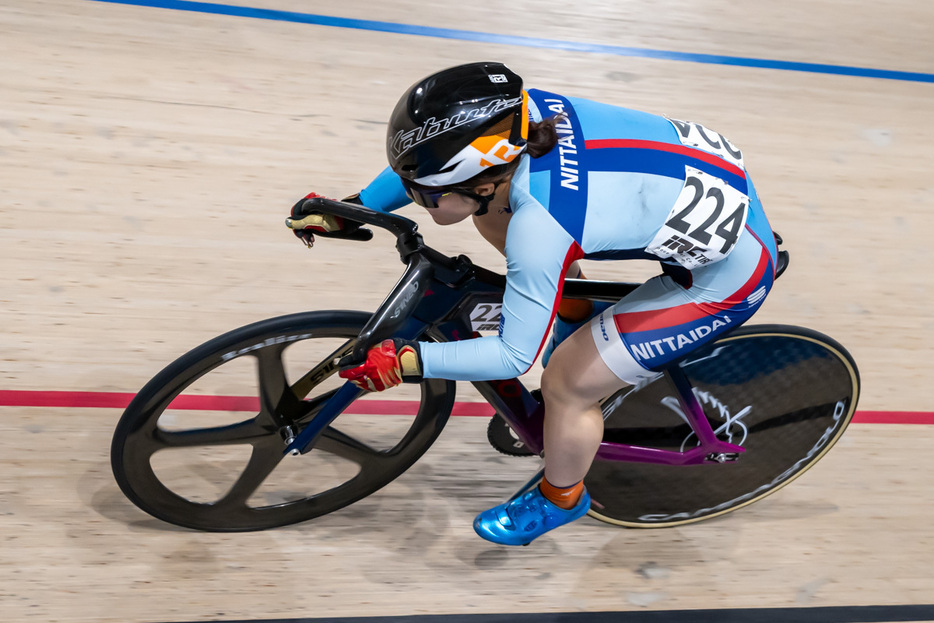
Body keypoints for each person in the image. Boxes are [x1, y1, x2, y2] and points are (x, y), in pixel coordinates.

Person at [290, 62, 779, 546]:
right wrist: (357, 207)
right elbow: (433, 161)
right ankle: (574, 312)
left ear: (480, 181)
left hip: (725, 277)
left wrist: (412, 362)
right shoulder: (516, 117)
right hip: (704, 180)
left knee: (567, 380)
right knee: (494, 218)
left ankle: (561, 498)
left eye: (425, 195)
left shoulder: (539, 227)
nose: (416, 199)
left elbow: (511, 355)